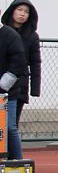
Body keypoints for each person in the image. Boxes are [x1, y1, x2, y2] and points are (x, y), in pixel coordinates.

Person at [1, 0, 40, 159]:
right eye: (19, 10)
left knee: (11, 125)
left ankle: (16, 159)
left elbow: (35, 63)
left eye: (26, 11)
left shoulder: (32, 36)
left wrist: (35, 89)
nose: (23, 14)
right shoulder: (4, 32)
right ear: (12, 11)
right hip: (3, 84)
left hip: (19, 86)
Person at [0, 22, 26, 157]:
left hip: (7, 92)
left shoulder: (10, 35)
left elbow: (19, 62)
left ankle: (18, 161)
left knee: (9, 127)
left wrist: (3, 84)